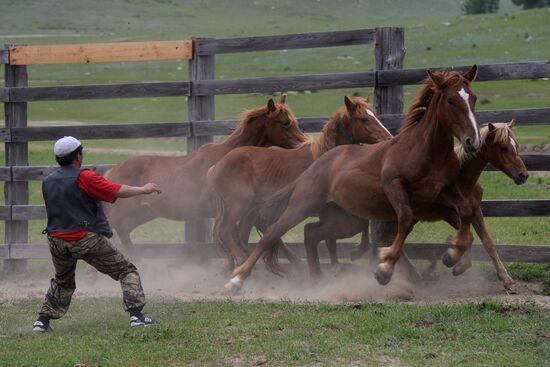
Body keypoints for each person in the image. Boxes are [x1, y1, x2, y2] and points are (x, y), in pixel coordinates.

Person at [32, 136, 161, 332]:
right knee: (126, 271)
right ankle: (137, 316)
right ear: (78, 155)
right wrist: (143, 189)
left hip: (56, 240)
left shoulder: (48, 181)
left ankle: (42, 321)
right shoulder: (84, 177)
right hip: (84, 239)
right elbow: (115, 190)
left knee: (63, 280)